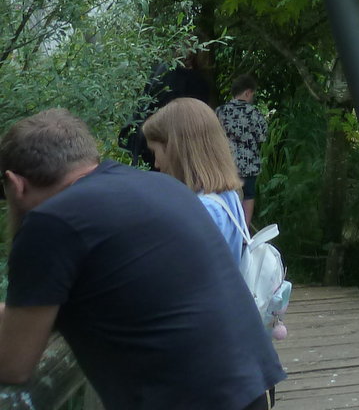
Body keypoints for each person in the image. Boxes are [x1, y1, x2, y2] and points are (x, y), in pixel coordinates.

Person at [0, 108, 284, 408]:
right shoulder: (162, 187)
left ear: (15, 183)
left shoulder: (50, 222)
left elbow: (15, 364)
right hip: (246, 389)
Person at [143, 97, 248, 263]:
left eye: (155, 152)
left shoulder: (203, 211)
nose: (156, 164)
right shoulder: (227, 196)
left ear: (175, 151)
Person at [217, 73, 268, 226]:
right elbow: (262, 137)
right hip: (248, 165)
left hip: (225, 163)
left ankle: (227, 226)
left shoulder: (220, 111)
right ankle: (244, 231)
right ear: (247, 92)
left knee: (225, 196)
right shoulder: (254, 113)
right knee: (248, 196)